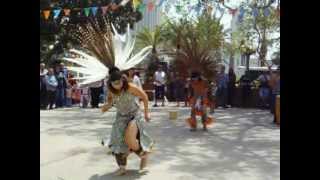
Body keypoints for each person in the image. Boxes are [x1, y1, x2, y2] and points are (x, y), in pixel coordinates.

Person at [101, 67, 154, 175]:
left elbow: (144, 96)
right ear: (110, 83)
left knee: (129, 139)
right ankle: (122, 167)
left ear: (123, 80)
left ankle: (143, 154)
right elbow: (110, 102)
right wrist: (106, 106)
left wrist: (146, 113)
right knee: (117, 141)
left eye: (119, 82)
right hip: (120, 118)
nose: (118, 85)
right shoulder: (111, 91)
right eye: (114, 83)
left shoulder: (130, 87)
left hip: (134, 115)